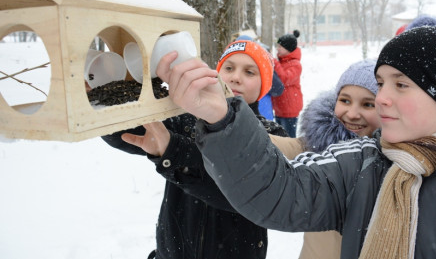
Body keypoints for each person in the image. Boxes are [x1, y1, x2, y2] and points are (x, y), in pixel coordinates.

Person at [156, 25, 436, 259]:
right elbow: (279, 193)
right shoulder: (361, 163)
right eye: (381, 83)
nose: (383, 98)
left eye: (401, 85)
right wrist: (220, 117)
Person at [102, 40, 288, 259]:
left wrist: (174, 152)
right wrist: (103, 96)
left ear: (263, 86)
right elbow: (124, 134)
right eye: (229, 68)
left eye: (249, 72)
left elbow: (240, 194)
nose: (236, 77)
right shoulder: (187, 119)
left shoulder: (272, 135)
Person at [274, 60, 379, 259]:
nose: (352, 114)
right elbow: (272, 146)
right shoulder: (319, 145)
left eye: (368, 104)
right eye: (345, 100)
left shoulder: (397, 159)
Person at [272, 29, 303, 137]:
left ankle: (291, 155)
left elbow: (285, 79)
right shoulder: (281, 62)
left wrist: (275, 63)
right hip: (279, 108)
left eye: (280, 46)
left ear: (288, 49)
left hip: (290, 110)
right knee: (280, 137)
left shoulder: (295, 65)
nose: (277, 49)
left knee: (289, 138)